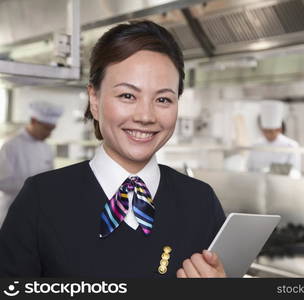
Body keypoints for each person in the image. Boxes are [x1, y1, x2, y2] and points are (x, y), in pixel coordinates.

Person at [0, 21, 226, 278]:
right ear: (94, 100)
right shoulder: (41, 200)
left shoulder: (200, 202)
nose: (145, 116)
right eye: (127, 96)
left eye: (163, 99)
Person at [0, 101, 63, 225]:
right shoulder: (11, 146)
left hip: (38, 213)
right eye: (46, 128)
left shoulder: (46, 148)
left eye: (52, 129)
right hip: (11, 211)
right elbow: (2, 182)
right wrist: (34, 187)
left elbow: (50, 177)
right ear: (34, 121)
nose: (49, 134)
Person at [247, 100, 300, 177]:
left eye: (271, 131)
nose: (268, 134)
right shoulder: (255, 145)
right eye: (265, 131)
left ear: (279, 130)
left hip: (282, 184)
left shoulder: (291, 145)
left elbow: (295, 172)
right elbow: (249, 168)